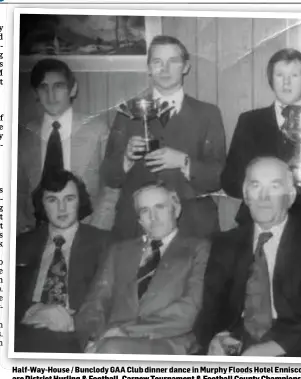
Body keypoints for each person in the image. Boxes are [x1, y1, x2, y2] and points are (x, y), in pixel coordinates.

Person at [196, 157, 301, 357]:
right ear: (246, 195)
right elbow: (211, 308)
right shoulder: (225, 244)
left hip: (293, 340)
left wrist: (272, 349)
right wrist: (218, 336)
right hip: (237, 340)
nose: (263, 197)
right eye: (255, 186)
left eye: (274, 186)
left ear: (290, 196)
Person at [101, 35, 226, 242]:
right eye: (157, 62)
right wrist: (127, 160)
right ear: (149, 68)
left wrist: (184, 162)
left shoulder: (208, 114)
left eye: (173, 61)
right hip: (136, 224)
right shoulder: (128, 112)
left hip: (191, 225)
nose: (165, 69)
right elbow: (108, 176)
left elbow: (218, 177)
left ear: (185, 67)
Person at [74, 182, 209, 354]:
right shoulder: (119, 251)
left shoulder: (199, 249)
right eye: (145, 211)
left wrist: (128, 331)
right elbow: (95, 303)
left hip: (167, 342)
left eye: (160, 207)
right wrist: (93, 338)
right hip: (109, 340)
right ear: (139, 220)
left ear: (176, 209)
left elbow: (190, 307)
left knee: (111, 350)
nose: (153, 217)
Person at [220, 48, 301, 227]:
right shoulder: (249, 122)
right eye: (280, 75)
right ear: (271, 79)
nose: (286, 82)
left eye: (294, 75)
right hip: (257, 223)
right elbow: (229, 182)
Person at [14, 170, 111, 353]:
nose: (61, 208)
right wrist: (32, 311)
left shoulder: (104, 243)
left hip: (73, 334)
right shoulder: (20, 243)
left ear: (80, 201)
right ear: (42, 205)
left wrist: (75, 322)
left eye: (69, 199)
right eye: (52, 200)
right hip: (23, 330)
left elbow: (111, 298)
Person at [17, 58, 114, 233]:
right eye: (43, 87)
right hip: (37, 232)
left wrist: (96, 230)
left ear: (73, 89)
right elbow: (18, 190)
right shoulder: (26, 134)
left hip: (87, 227)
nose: (51, 95)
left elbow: (110, 188)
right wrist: (23, 230)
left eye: (59, 86)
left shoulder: (97, 129)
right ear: (35, 93)